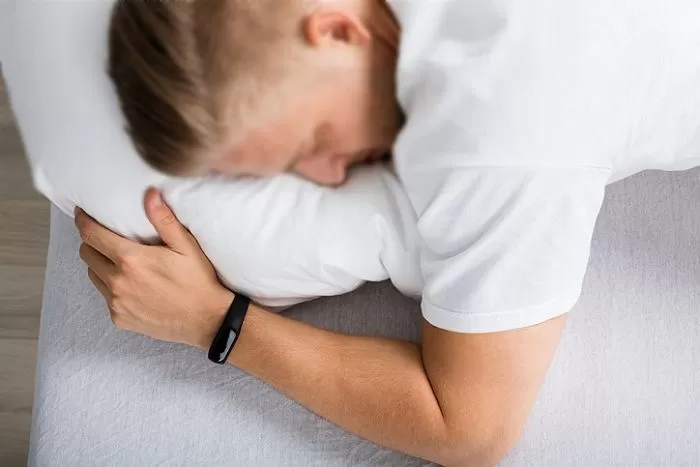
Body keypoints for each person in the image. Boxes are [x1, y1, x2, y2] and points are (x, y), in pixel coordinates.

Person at [75, 0, 700, 465]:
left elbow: (469, 427)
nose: (326, 175)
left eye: (312, 143)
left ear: (338, 31)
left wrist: (215, 322)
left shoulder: (495, 130)